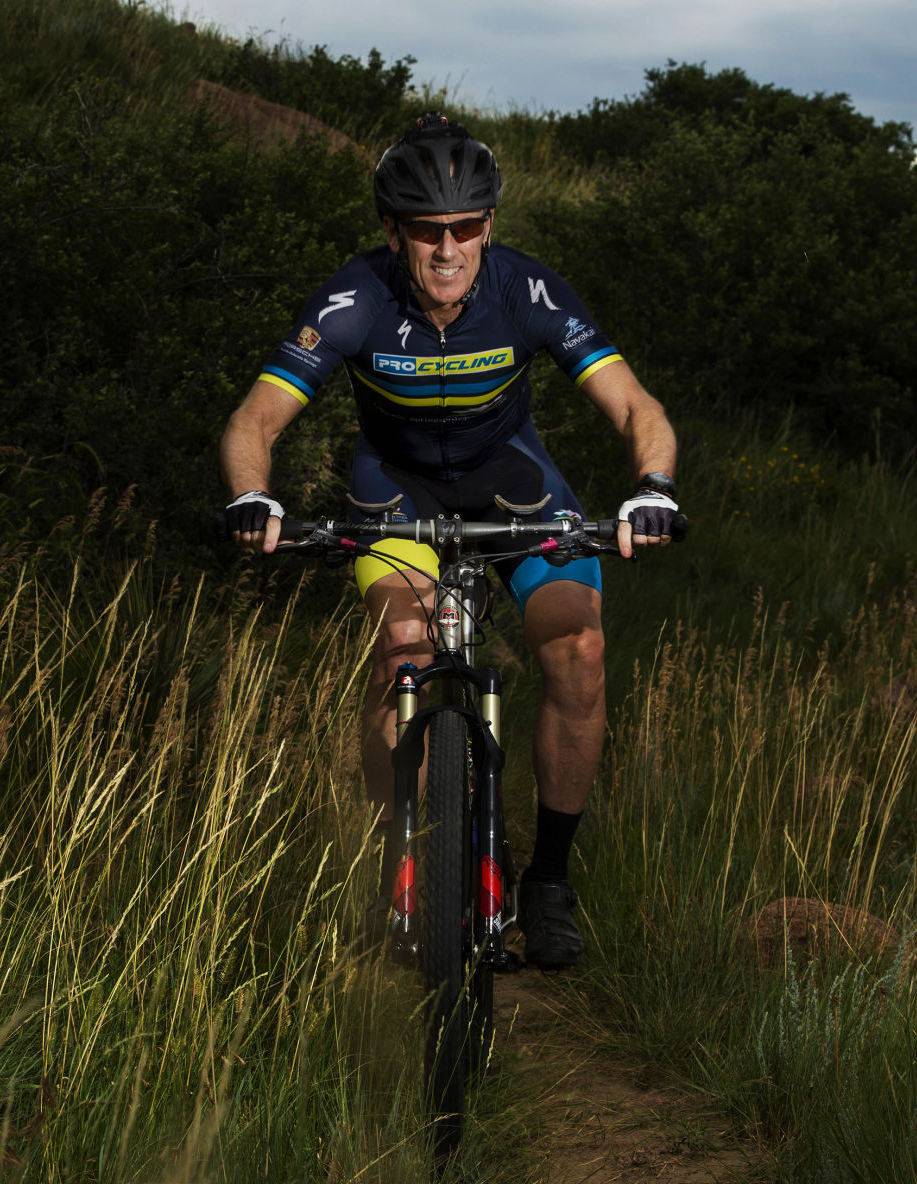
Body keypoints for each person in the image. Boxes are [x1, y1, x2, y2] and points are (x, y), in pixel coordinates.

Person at [218, 113, 679, 969]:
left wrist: (650, 488)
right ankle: (393, 863)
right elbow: (256, 417)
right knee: (402, 652)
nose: (446, 249)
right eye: (426, 231)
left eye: (465, 228)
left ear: (489, 227)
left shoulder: (528, 291)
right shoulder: (355, 298)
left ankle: (545, 881)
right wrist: (253, 492)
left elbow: (633, 407)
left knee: (576, 650)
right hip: (393, 494)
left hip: (516, 486)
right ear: (393, 232)